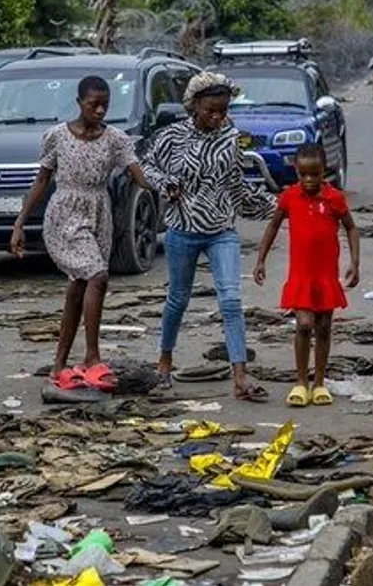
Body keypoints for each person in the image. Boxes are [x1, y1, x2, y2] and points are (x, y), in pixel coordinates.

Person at [10, 76, 154, 388]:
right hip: (64, 214)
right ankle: (91, 356)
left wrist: (165, 188)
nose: (100, 111)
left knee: (78, 286)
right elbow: (42, 181)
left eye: (105, 105)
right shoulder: (57, 137)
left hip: (98, 214)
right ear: (79, 103)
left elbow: (139, 175)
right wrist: (20, 222)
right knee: (98, 275)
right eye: (93, 105)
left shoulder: (116, 139)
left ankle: (58, 364)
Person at [141, 72, 276, 402]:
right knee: (178, 299)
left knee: (230, 299)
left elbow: (236, 186)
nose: (217, 117)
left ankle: (240, 375)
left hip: (221, 230)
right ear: (194, 105)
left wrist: (279, 207)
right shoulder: (171, 137)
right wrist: (165, 184)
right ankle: (164, 363)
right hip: (181, 231)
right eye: (211, 110)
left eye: (223, 110)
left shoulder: (231, 138)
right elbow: (145, 168)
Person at [253, 144, 360, 408]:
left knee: (324, 327)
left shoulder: (335, 198)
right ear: (297, 172)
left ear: (324, 171)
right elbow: (274, 225)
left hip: (326, 275)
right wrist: (260, 260)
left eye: (315, 174)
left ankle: (320, 382)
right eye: (304, 175)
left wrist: (355, 263)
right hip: (301, 275)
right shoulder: (290, 197)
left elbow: (351, 228)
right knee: (303, 324)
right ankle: (301, 381)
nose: (309, 180)